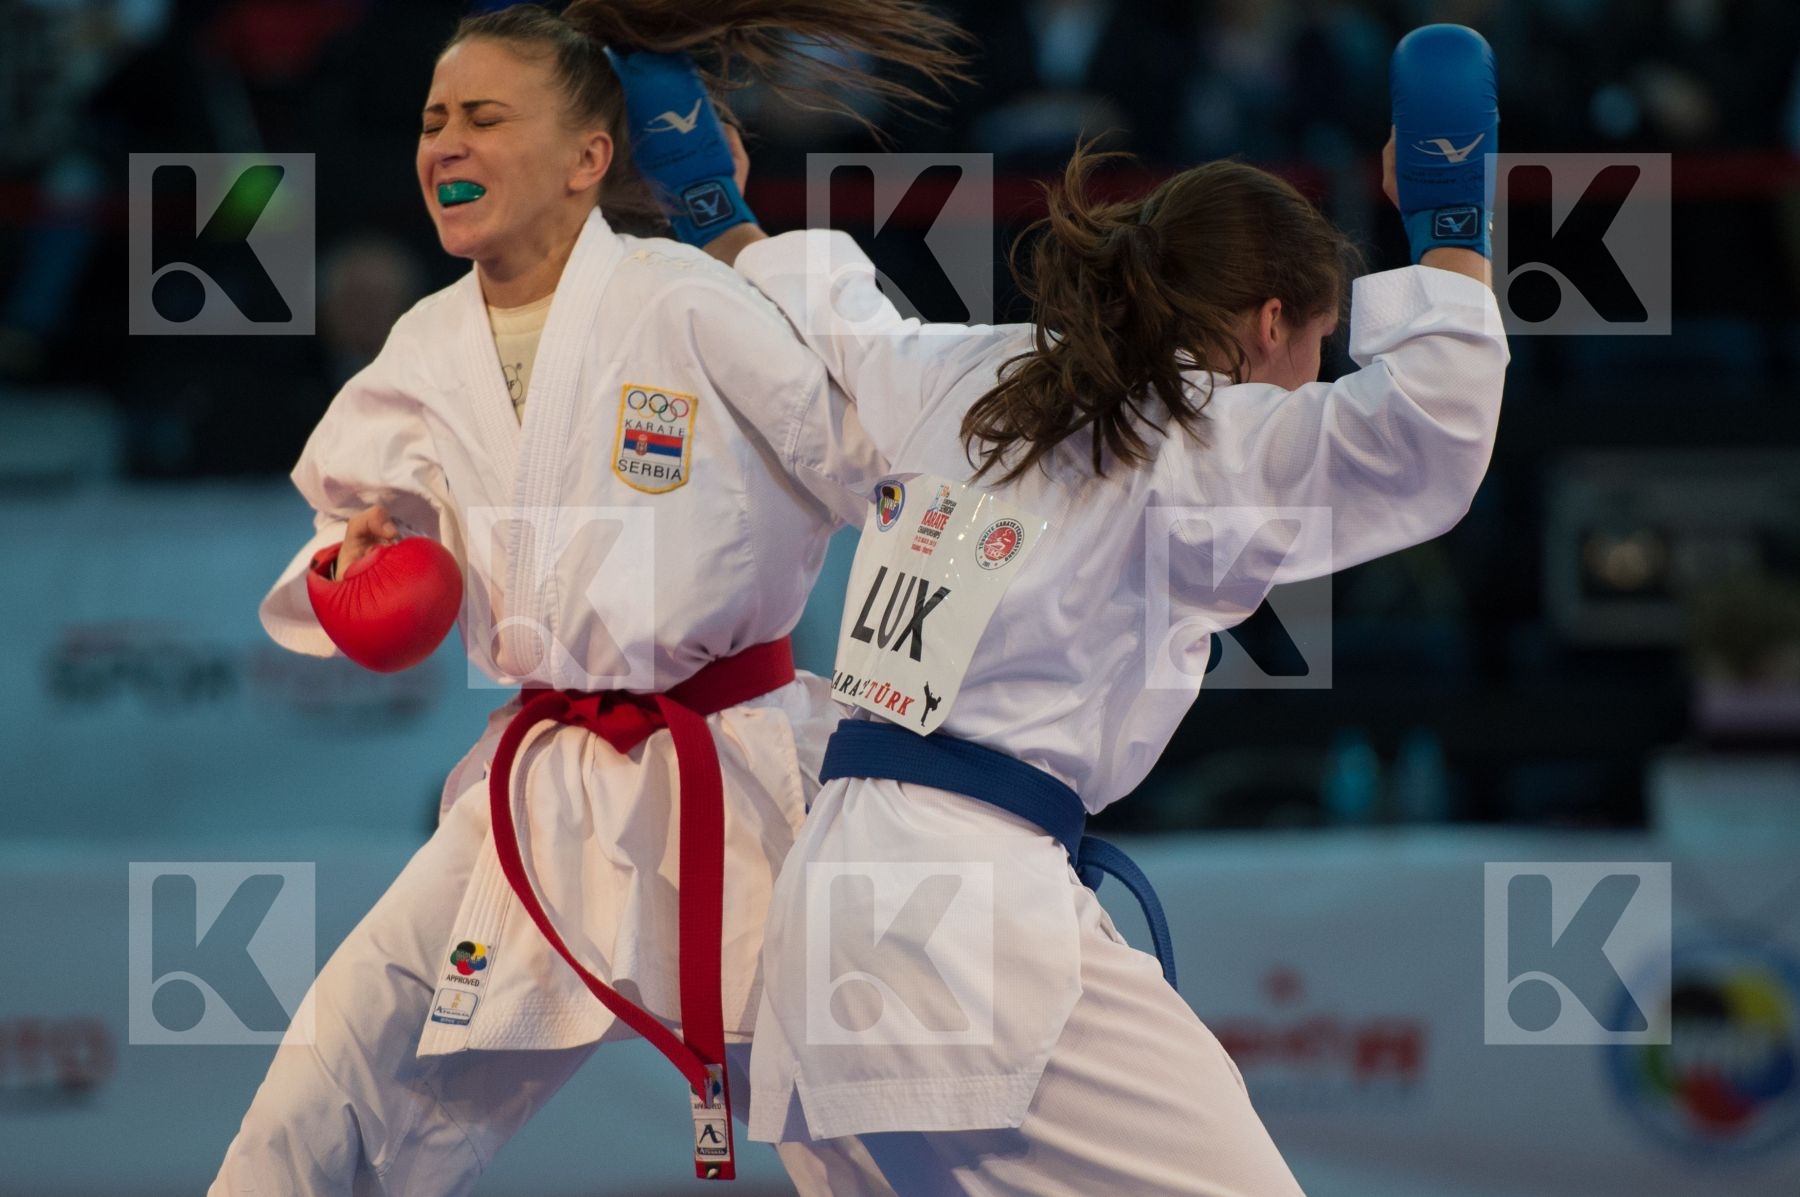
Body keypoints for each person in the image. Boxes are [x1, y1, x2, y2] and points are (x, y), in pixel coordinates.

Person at [624, 23, 1506, 1195]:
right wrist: (1451, 220)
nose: (1311, 373)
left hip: (827, 911)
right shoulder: (1198, 440)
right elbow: (1426, 435)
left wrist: (705, 192)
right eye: (1320, 342)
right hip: (969, 927)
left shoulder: (968, 374)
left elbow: (813, 327)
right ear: (1271, 323)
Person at [210, 1, 965, 1192]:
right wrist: (353, 566)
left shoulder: (687, 299)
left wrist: (920, 710)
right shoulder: (421, 346)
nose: (443, 144)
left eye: (483, 117)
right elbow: (356, 531)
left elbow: (895, 459)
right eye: (432, 121)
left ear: (587, 160)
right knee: (333, 1073)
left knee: (885, 1127)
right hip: (537, 785)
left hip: (737, 771)